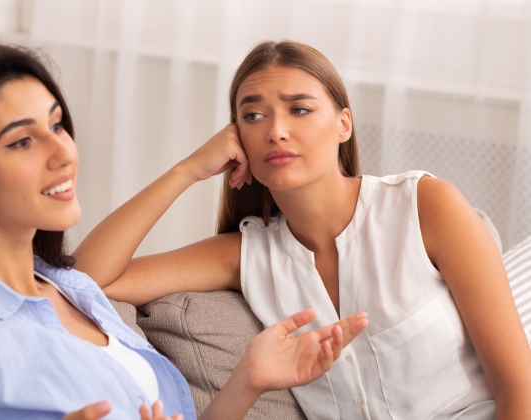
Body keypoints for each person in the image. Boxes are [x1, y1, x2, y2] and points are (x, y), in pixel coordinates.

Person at [0, 44, 370, 420]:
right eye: (23, 140)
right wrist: (188, 169)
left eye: (57, 124)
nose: (64, 152)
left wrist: (249, 378)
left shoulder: (68, 288)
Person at [76, 41, 531, 419]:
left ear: (343, 125)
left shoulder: (425, 206)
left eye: (299, 109)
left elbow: (518, 388)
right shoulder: (243, 255)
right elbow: (87, 279)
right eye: (253, 116)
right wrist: (187, 170)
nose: (276, 131)